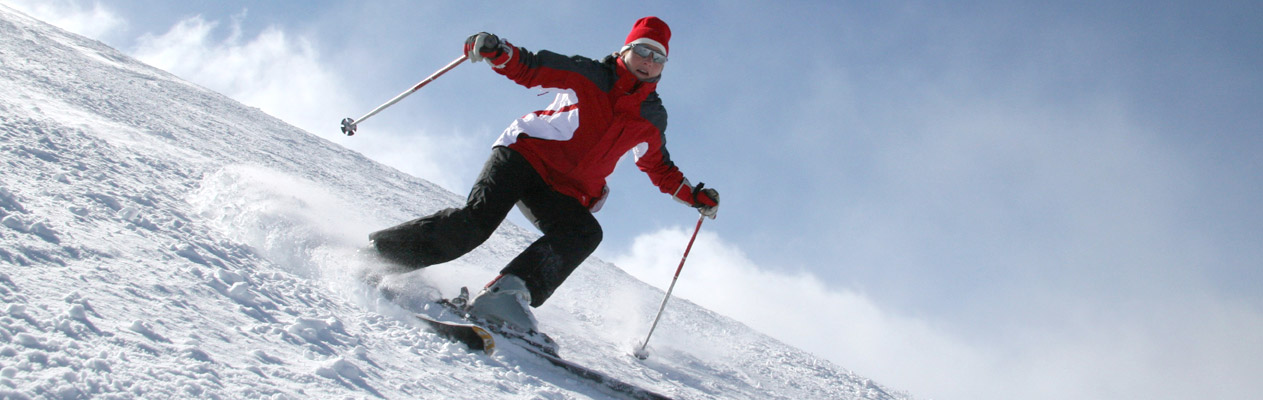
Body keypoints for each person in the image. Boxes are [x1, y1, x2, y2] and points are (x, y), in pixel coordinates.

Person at [368, 16, 719, 333]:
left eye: (659, 58)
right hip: (524, 155)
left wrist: (695, 197)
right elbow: (533, 67)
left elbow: (657, 166)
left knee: (582, 233)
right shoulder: (591, 74)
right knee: (475, 223)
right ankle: (380, 255)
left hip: (565, 189)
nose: (649, 62)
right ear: (627, 50)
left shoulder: (652, 117)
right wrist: (498, 51)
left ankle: (505, 295)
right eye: (643, 51)